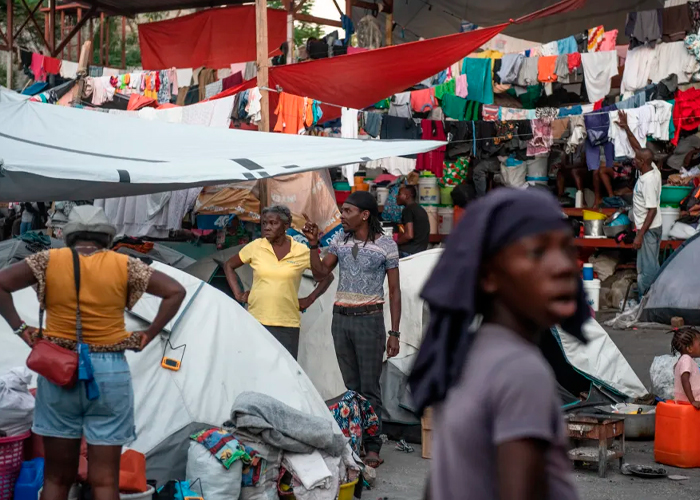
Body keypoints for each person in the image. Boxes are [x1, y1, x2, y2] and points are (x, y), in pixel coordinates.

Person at [409, 188, 589, 500]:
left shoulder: (467, 353)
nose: (563, 267)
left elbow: (440, 483)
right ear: (489, 275)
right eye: (537, 251)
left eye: (566, 249)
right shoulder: (522, 370)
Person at [0, 205, 186, 500]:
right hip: (110, 371)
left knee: (57, 478)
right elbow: (175, 291)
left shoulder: (46, 260)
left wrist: (21, 329)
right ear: (107, 237)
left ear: (69, 235)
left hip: (59, 369)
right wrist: (149, 334)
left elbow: (1, 283)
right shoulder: (124, 265)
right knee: (104, 480)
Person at [302, 191, 401, 469]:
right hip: (341, 319)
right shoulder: (339, 241)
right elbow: (322, 273)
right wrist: (313, 245)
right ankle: (354, 438)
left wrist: (394, 333)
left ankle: (372, 445)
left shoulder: (386, 246)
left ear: (365, 215)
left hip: (370, 320)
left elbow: (394, 291)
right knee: (351, 387)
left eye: (347, 211)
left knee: (370, 387)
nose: (342, 216)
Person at [223, 205, 333, 359]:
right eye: (264, 223)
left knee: (285, 375)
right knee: (257, 370)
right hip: (256, 321)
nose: (267, 227)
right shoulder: (256, 247)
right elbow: (228, 265)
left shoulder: (300, 251)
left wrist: (310, 299)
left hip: (287, 324)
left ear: (286, 225)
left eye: (273, 223)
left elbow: (326, 276)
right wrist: (238, 294)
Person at [617, 110, 663, 296]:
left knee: (647, 269)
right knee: (649, 264)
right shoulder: (649, 168)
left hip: (649, 230)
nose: (633, 160)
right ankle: (653, 298)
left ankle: (647, 303)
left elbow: (651, 210)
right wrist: (626, 127)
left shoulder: (649, 181)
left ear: (642, 162)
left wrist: (639, 235)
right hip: (649, 227)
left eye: (636, 159)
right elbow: (638, 148)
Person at [396, 185, 430, 256]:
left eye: (399, 194)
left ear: (407, 196)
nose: (396, 196)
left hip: (408, 252)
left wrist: (395, 242)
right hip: (421, 252)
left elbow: (409, 235)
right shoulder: (420, 209)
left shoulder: (408, 210)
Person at [672, 327, 700, 408]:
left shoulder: (683, 359)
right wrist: (693, 401)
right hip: (690, 401)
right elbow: (685, 380)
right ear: (690, 348)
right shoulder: (686, 360)